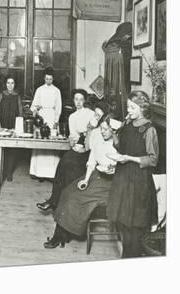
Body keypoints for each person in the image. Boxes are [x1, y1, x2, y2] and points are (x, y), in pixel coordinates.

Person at [44, 115, 121, 248]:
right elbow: (91, 162)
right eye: (101, 128)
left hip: (110, 184)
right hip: (95, 176)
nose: (102, 132)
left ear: (113, 131)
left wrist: (114, 170)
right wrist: (85, 179)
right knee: (67, 192)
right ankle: (64, 234)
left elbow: (123, 169)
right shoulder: (99, 142)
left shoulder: (119, 147)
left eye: (105, 129)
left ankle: (59, 236)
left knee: (75, 198)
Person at [106, 91, 159, 258]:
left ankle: (130, 259)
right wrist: (114, 135)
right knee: (123, 223)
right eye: (128, 106)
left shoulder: (149, 129)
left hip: (139, 181)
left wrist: (129, 158)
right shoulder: (128, 124)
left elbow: (153, 159)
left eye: (132, 107)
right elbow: (121, 148)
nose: (128, 110)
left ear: (142, 108)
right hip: (123, 178)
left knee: (135, 227)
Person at [36, 89, 94, 212]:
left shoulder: (90, 113)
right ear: (73, 100)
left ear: (84, 101)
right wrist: (74, 142)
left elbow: (92, 134)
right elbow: (73, 137)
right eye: (76, 99)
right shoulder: (72, 117)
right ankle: (54, 201)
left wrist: (84, 140)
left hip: (90, 149)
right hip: (78, 147)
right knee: (63, 163)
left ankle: (62, 204)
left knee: (70, 164)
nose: (78, 102)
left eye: (81, 100)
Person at [29, 67, 62, 179]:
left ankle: (51, 174)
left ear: (53, 79)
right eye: (47, 79)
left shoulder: (57, 91)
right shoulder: (39, 90)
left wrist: (56, 122)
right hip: (41, 117)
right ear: (44, 78)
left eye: (50, 79)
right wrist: (35, 109)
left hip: (52, 116)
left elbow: (58, 108)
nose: (48, 81)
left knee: (51, 143)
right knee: (40, 143)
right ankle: (38, 173)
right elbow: (33, 106)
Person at [0, 75, 23, 181]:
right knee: (3, 148)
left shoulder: (17, 96)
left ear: (14, 84)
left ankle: (9, 173)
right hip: (3, 125)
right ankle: (2, 172)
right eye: (8, 83)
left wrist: (18, 128)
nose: (10, 85)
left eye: (12, 83)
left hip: (13, 125)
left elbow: (20, 112)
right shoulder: (2, 94)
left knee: (12, 149)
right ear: (5, 84)